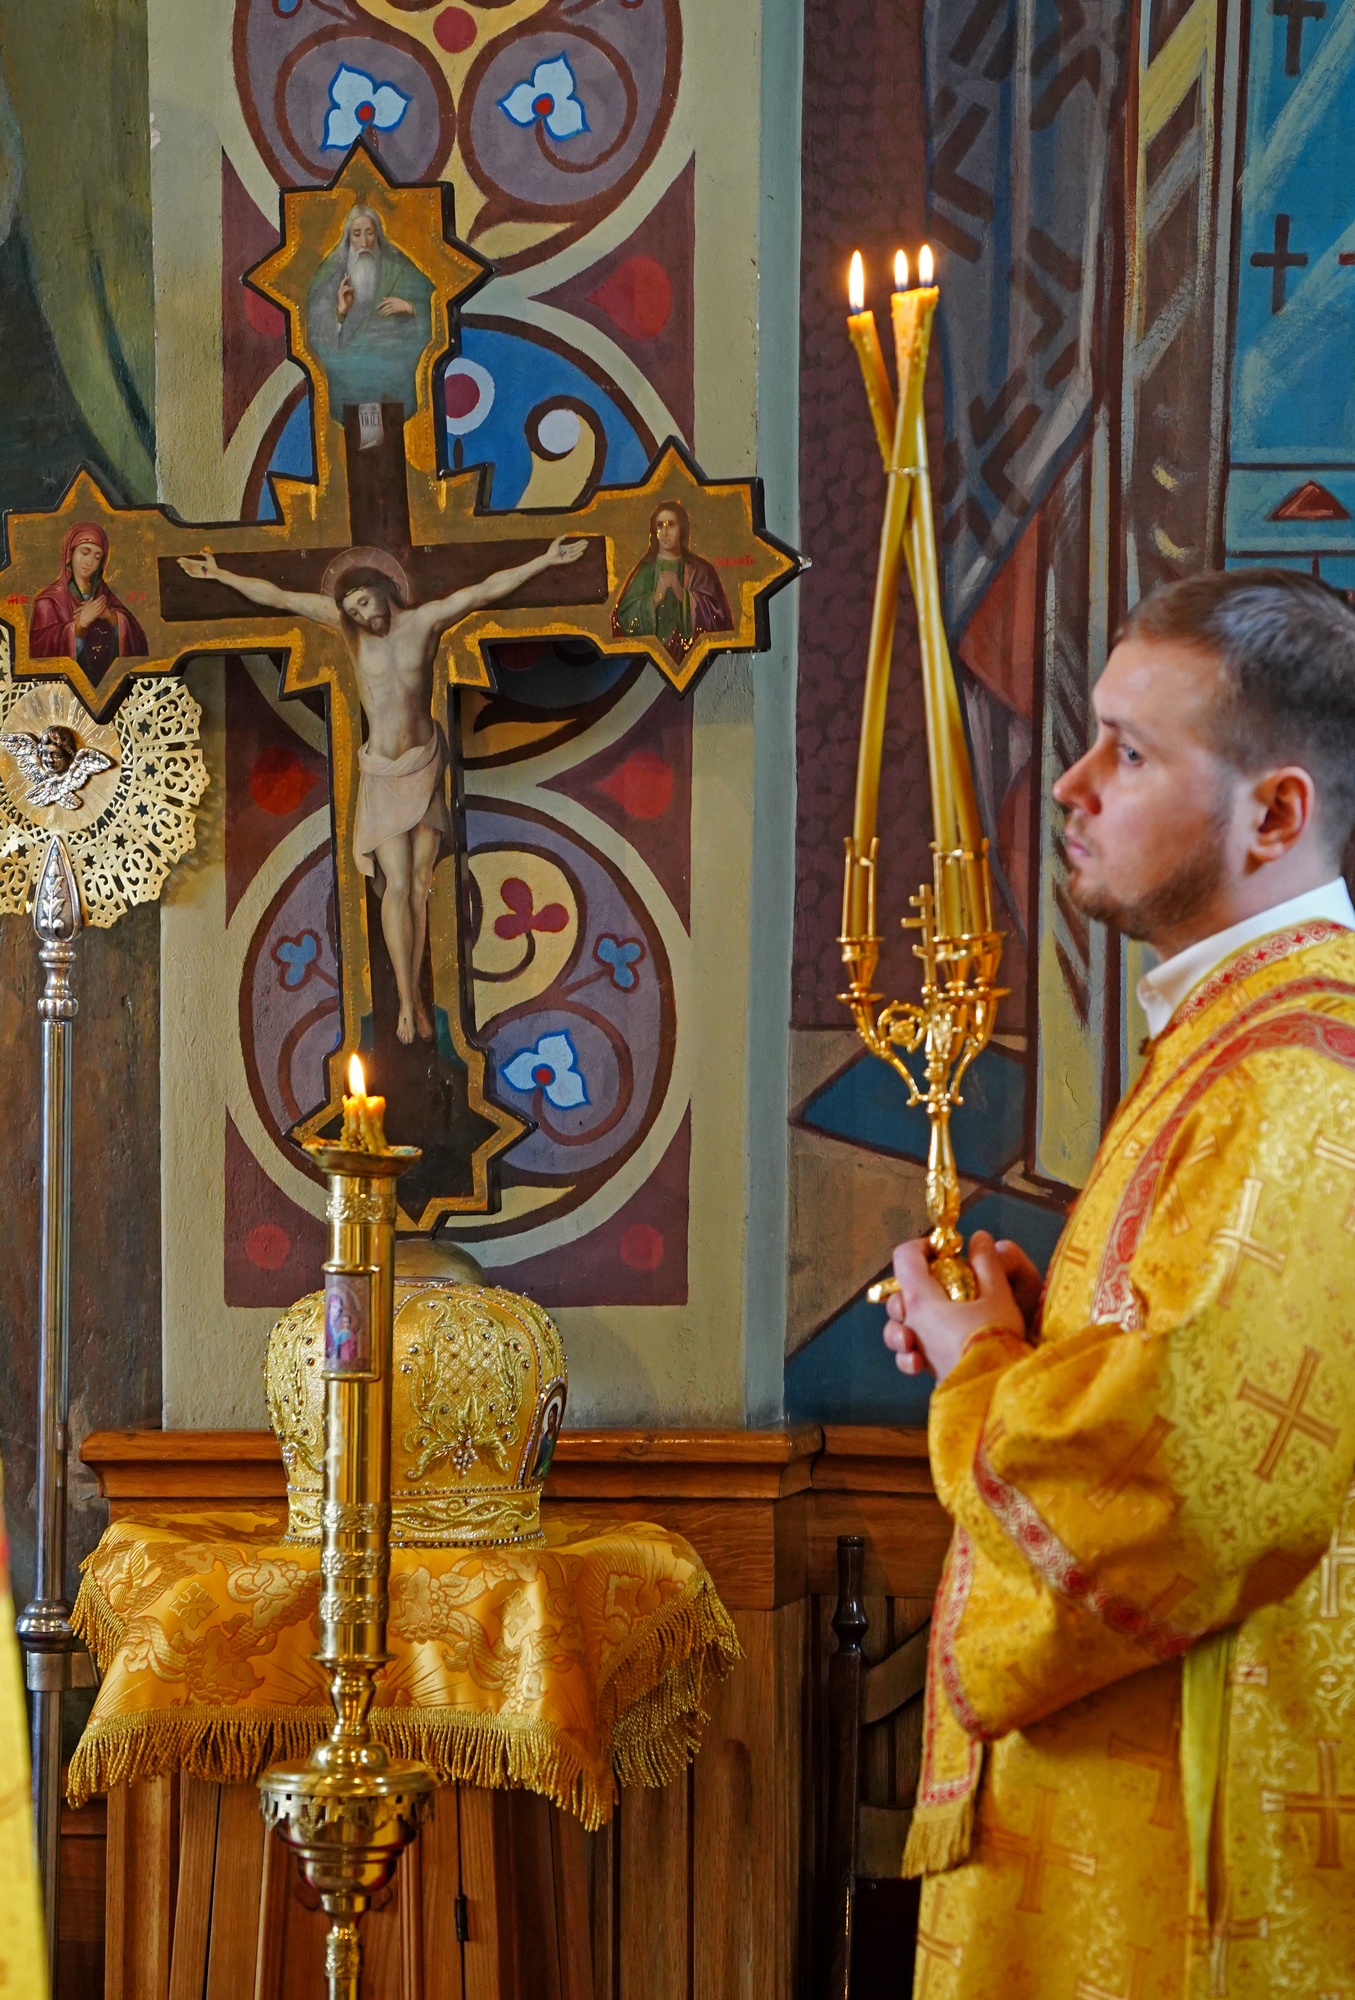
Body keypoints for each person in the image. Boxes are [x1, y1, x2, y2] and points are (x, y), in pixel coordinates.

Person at [881, 568, 1355, 1997]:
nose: (1071, 782)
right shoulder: (1233, 1041)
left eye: (1128, 752)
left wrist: (978, 1370)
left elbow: (1187, 1476)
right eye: (1088, 735)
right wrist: (1021, 1338)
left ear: (1270, 814)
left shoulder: (1290, 1079)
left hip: (1186, 1843)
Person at [176, 537, 586, 1047]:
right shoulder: (350, 637)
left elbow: (484, 591)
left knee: (419, 883)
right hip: (383, 774)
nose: (361, 615)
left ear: (383, 589)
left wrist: (545, 560)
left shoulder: (425, 622)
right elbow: (281, 598)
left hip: (425, 764)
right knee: (396, 883)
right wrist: (221, 576)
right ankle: (407, 1001)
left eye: (364, 603)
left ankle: (413, 994)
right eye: (351, 609)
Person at [306, 203, 434, 416]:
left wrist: (409, 306)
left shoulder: (399, 267)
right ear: (348, 238)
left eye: (369, 233)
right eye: (357, 234)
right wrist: (341, 311)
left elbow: (436, 304)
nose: (364, 242)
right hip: (349, 381)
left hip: (393, 378)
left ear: (378, 236)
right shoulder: (331, 274)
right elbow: (314, 333)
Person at [611, 501, 732, 664]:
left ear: (682, 530)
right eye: (660, 526)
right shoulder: (646, 571)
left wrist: (683, 595)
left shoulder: (700, 570)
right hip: (653, 657)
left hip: (691, 655)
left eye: (671, 525)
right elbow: (622, 617)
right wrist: (655, 598)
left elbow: (718, 616)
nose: (665, 532)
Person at [27, 521, 148, 680]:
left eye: (97, 557)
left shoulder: (106, 597)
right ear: (71, 554)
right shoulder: (48, 601)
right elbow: (38, 651)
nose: (89, 561)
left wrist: (110, 617)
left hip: (110, 684)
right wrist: (79, 627)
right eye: (84, 552)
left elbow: (139, 643)